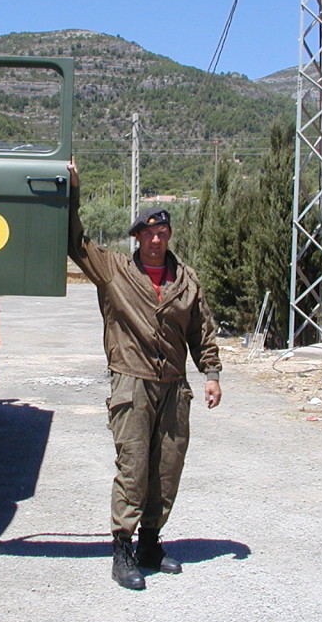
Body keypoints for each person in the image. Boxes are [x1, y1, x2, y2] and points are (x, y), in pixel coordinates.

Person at [67, 160, 222, 591]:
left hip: (174, 385)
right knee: (133, 466)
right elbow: (74, 241)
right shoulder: (115, 270)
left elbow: (201, 328)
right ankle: (123, 548)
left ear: (169, 235)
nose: (156, 239)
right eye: (148, 233)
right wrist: (73, 189)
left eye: (163, 233)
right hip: (131, 383)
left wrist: (210, 372)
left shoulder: (185, 280)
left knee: (167, 468)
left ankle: (152, 543)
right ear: (136, 237)